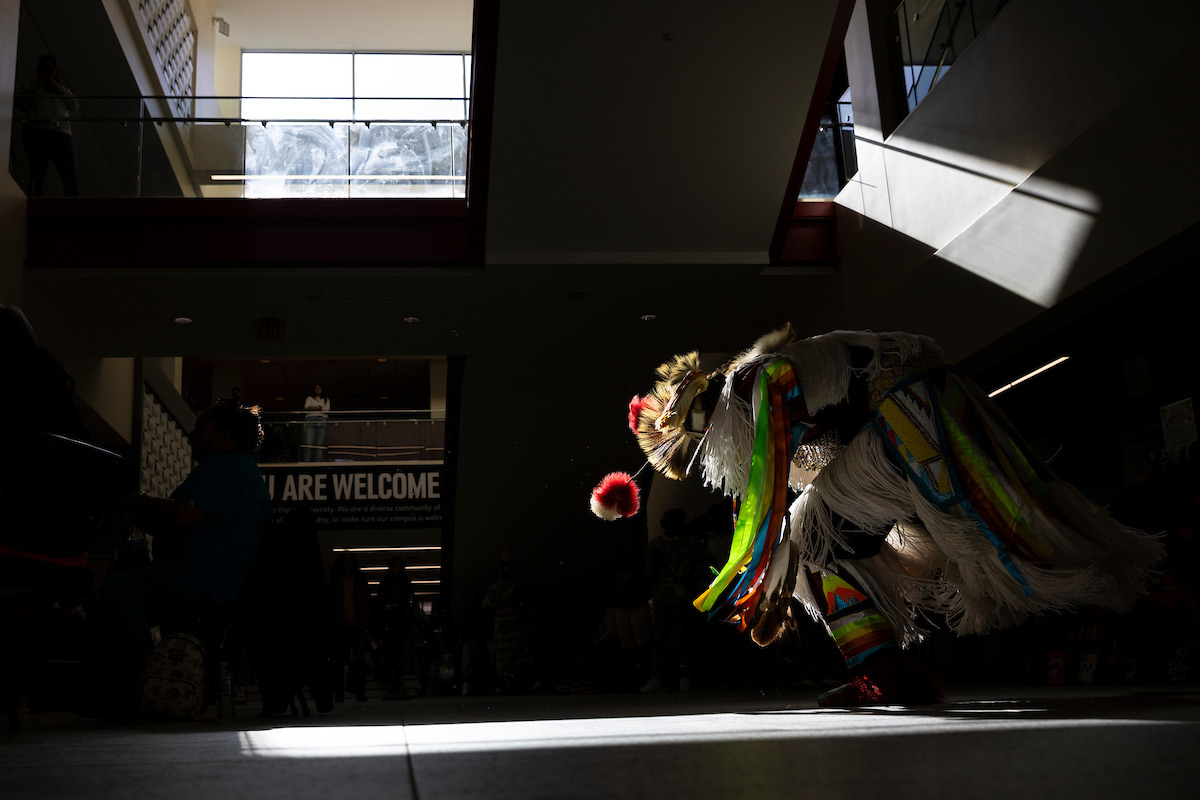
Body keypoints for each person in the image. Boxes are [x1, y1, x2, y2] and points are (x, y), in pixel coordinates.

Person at [598, 324, 1164, 706]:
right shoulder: (759, 384)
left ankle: (883, 671)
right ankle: (885, 670)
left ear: (699, 414)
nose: (710, 461)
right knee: (1018, 529)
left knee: (808, 536)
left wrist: (743, 577)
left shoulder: (756, 385)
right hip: (922, 412)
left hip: (912, 418)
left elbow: (765, 504)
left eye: (698, 450)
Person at [90, 403, 272, 712]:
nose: (191, 434)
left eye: (201, 428)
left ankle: (146, 673)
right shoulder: (242, 472)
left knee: (116, 591)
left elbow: (185, 514)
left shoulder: (223, 466)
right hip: (214, 582)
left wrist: (140, 500)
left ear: (224, 437)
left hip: (197, 582)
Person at [641, 509, 703, 692]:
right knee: (660, 639)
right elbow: (648, 573)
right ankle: (656, 677)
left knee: (683, 638)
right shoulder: (655, 546)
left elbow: (701, 569)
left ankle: (684, 677)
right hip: (663, 597)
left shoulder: (691, 545)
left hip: (683, 597)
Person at [16, 55, 79, 197]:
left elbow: (74, 105)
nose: (49, 71)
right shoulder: (30, 88)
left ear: (56, 71)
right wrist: (39, 85)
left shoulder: (62, 91)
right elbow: (21, 104)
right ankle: (33, 200)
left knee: (68, 173)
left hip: (60, 134)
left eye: (51, 69)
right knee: (37, 172)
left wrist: (55, 86)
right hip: (37, 133)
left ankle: (73, 204)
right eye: (45, 68)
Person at [327, 552, 372, 702]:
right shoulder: (336, 581)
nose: (348, 564)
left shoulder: (357, 580)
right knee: (340, 661)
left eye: (350, 561)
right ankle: (342, 690)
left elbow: (365, 603)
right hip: (342, 625)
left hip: (354, 625)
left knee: (355, 661)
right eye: (345, 561)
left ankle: (356, 690)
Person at [376, 556, 421, 699]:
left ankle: (393, 685)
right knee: (394, 656)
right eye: (396, 567)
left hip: (397, 623)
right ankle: (396, 685)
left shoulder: (395, 584)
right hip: (395, 623)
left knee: (394, 656)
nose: (398, 570)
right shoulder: (401, 584)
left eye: (399, 567)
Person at [302, 384, 330, 462]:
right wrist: (318, 408)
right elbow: (307, 407)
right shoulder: (309, 398)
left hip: (321, 421)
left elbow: (326, 410)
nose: (318, 390)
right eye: (316, 388)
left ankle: (317, 462)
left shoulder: (326, 399)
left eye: (319, 388)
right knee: (308, 443)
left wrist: (314, 408)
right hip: (311, 420)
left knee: (319, 445)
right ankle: (306, 462)